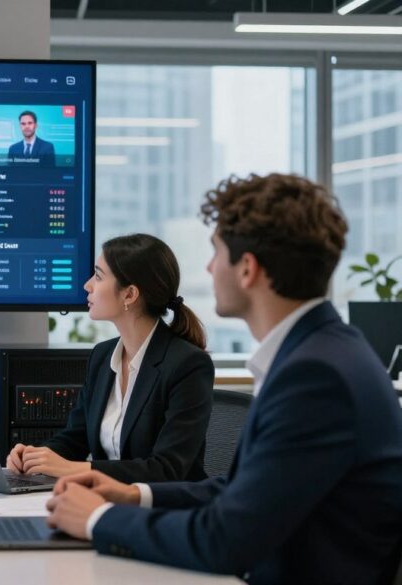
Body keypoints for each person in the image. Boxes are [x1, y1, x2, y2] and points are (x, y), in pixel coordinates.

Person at [45, 174, 402, 585]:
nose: (209, 267)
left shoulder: (316, 376)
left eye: (216, 252)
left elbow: (225, 539)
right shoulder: (320, 352)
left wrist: (98, 520)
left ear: (247, 268)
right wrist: (131, 494)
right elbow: (240, 492)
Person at [7, 234, 213, 483]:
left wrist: (75, 470)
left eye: (98, 276)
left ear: (129, 295)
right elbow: (75, 437)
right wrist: (35, 457)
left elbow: (166, 469)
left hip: (164, 510)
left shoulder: (187, 365)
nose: (88, 285)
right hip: (108, 502)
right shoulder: (103, 356)